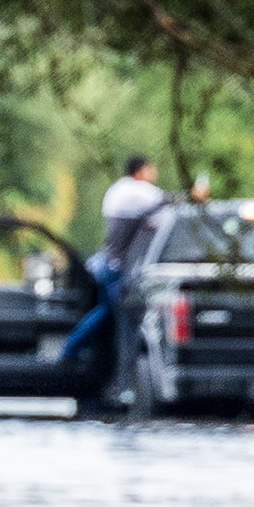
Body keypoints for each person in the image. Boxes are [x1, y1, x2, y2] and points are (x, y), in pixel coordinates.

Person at [66, 154, 168, 397]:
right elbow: (170, 209)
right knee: (125, 324)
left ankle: (71, 350)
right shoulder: (137, 191)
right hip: (119, 270)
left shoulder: (117, 190)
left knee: (104, 313)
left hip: (108, 264)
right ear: (141, 171)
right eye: (151, 170)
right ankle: (122, 382)